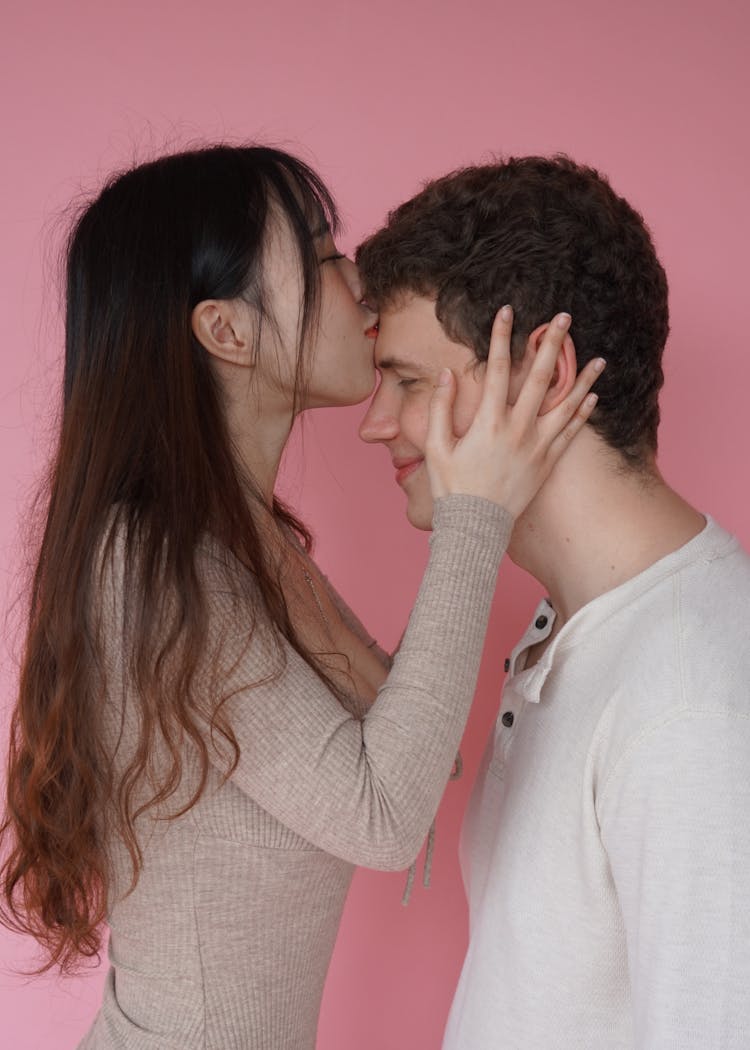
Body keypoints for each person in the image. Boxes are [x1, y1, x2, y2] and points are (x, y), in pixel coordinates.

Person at [0, 145, 601, 1050]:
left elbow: (411, 745)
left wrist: (496, 505)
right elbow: (386, 815)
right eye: (322, 257)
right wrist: (474, 514)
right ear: (227, 331)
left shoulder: (237, 544)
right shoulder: (149, 565)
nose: (356, 278)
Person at [356, 155, 750, 1049]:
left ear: (545, 371)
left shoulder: (693, 697)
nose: (376, 422)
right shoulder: (572, 623)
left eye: (410, 381)